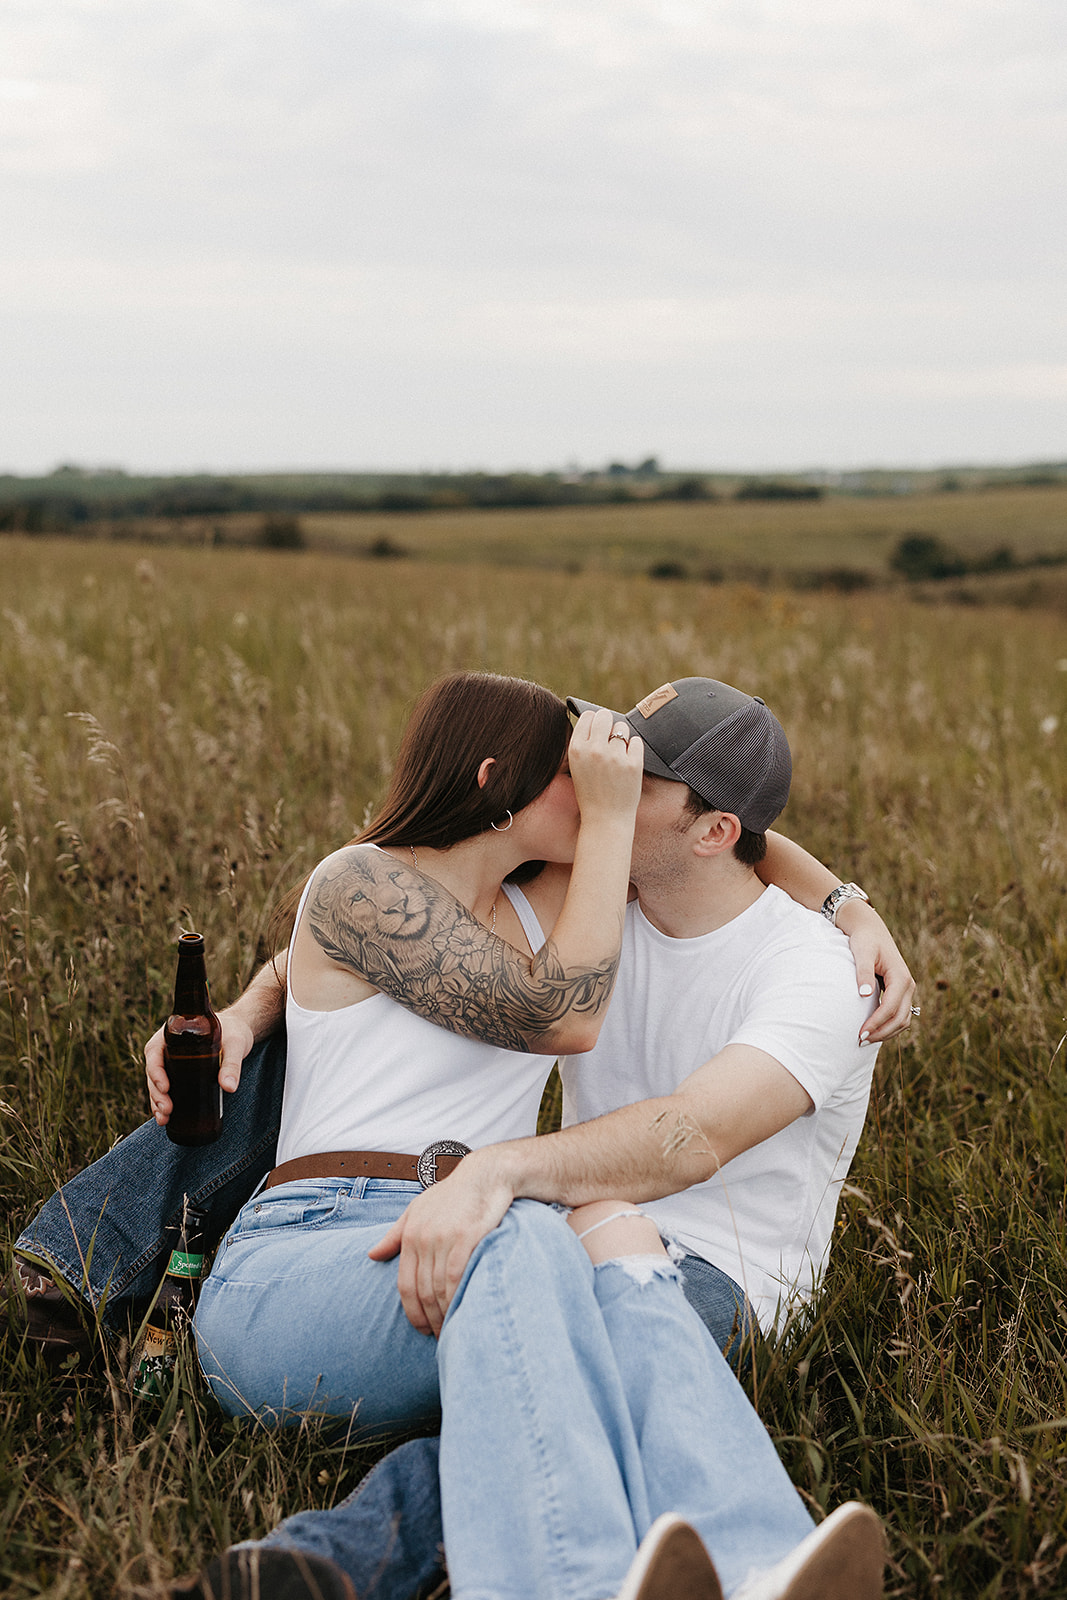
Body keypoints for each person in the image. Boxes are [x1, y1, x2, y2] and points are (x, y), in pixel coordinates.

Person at [11, 671, 912, 1600]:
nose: (598, 780)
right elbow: (404, 939)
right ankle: (633, 1571)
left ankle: (334, 1565)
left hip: (640, 1249)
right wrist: (249, 1007)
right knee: (543, 1253)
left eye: (624, 779)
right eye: (583, 767)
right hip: (333, 1244)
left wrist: (848, 901)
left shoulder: (696, 929)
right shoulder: (541, 887)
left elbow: (695, 1106)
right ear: (498, 785)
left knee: (539, 1305)